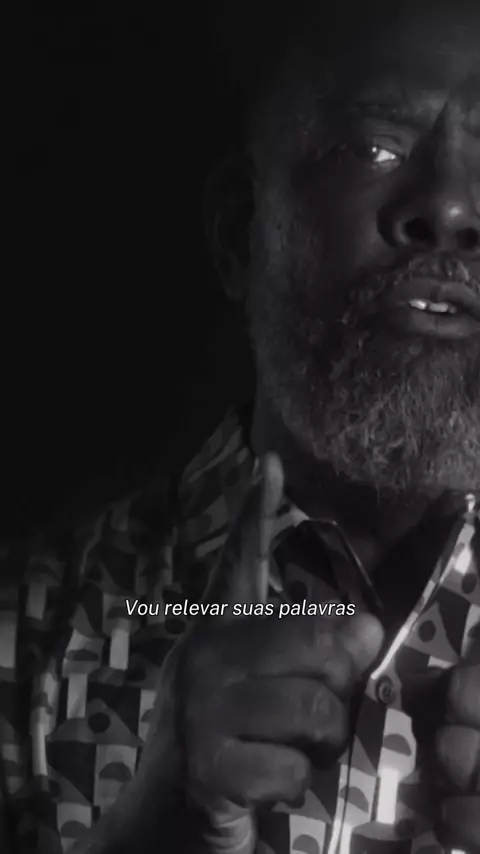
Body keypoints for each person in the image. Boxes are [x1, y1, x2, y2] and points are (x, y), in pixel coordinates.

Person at [2, 1, 480, 852]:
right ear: (238, 231)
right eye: (373, 148)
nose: (449, 207)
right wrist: (154, 834)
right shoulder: (23, 636)